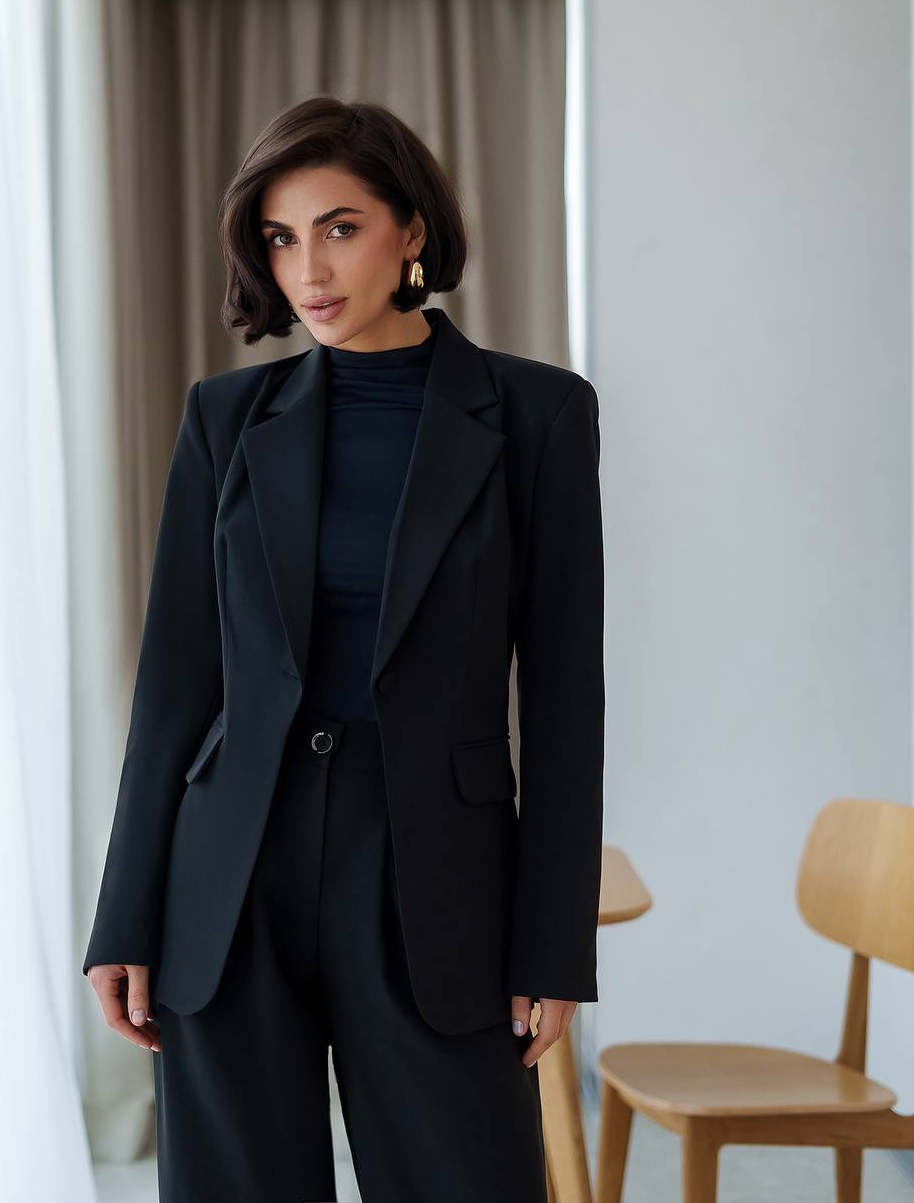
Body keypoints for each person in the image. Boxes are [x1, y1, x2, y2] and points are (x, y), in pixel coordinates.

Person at [83, 96, 605, 1202]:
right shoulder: (226, 418)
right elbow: (179, 680)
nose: (307, 269)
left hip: (436, 877)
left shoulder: (536, 415)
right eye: (279, 237)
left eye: (338, 226)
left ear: (410, 231)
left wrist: (553, 946)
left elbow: (563, 695)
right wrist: (124, 913)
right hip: (231, 876)